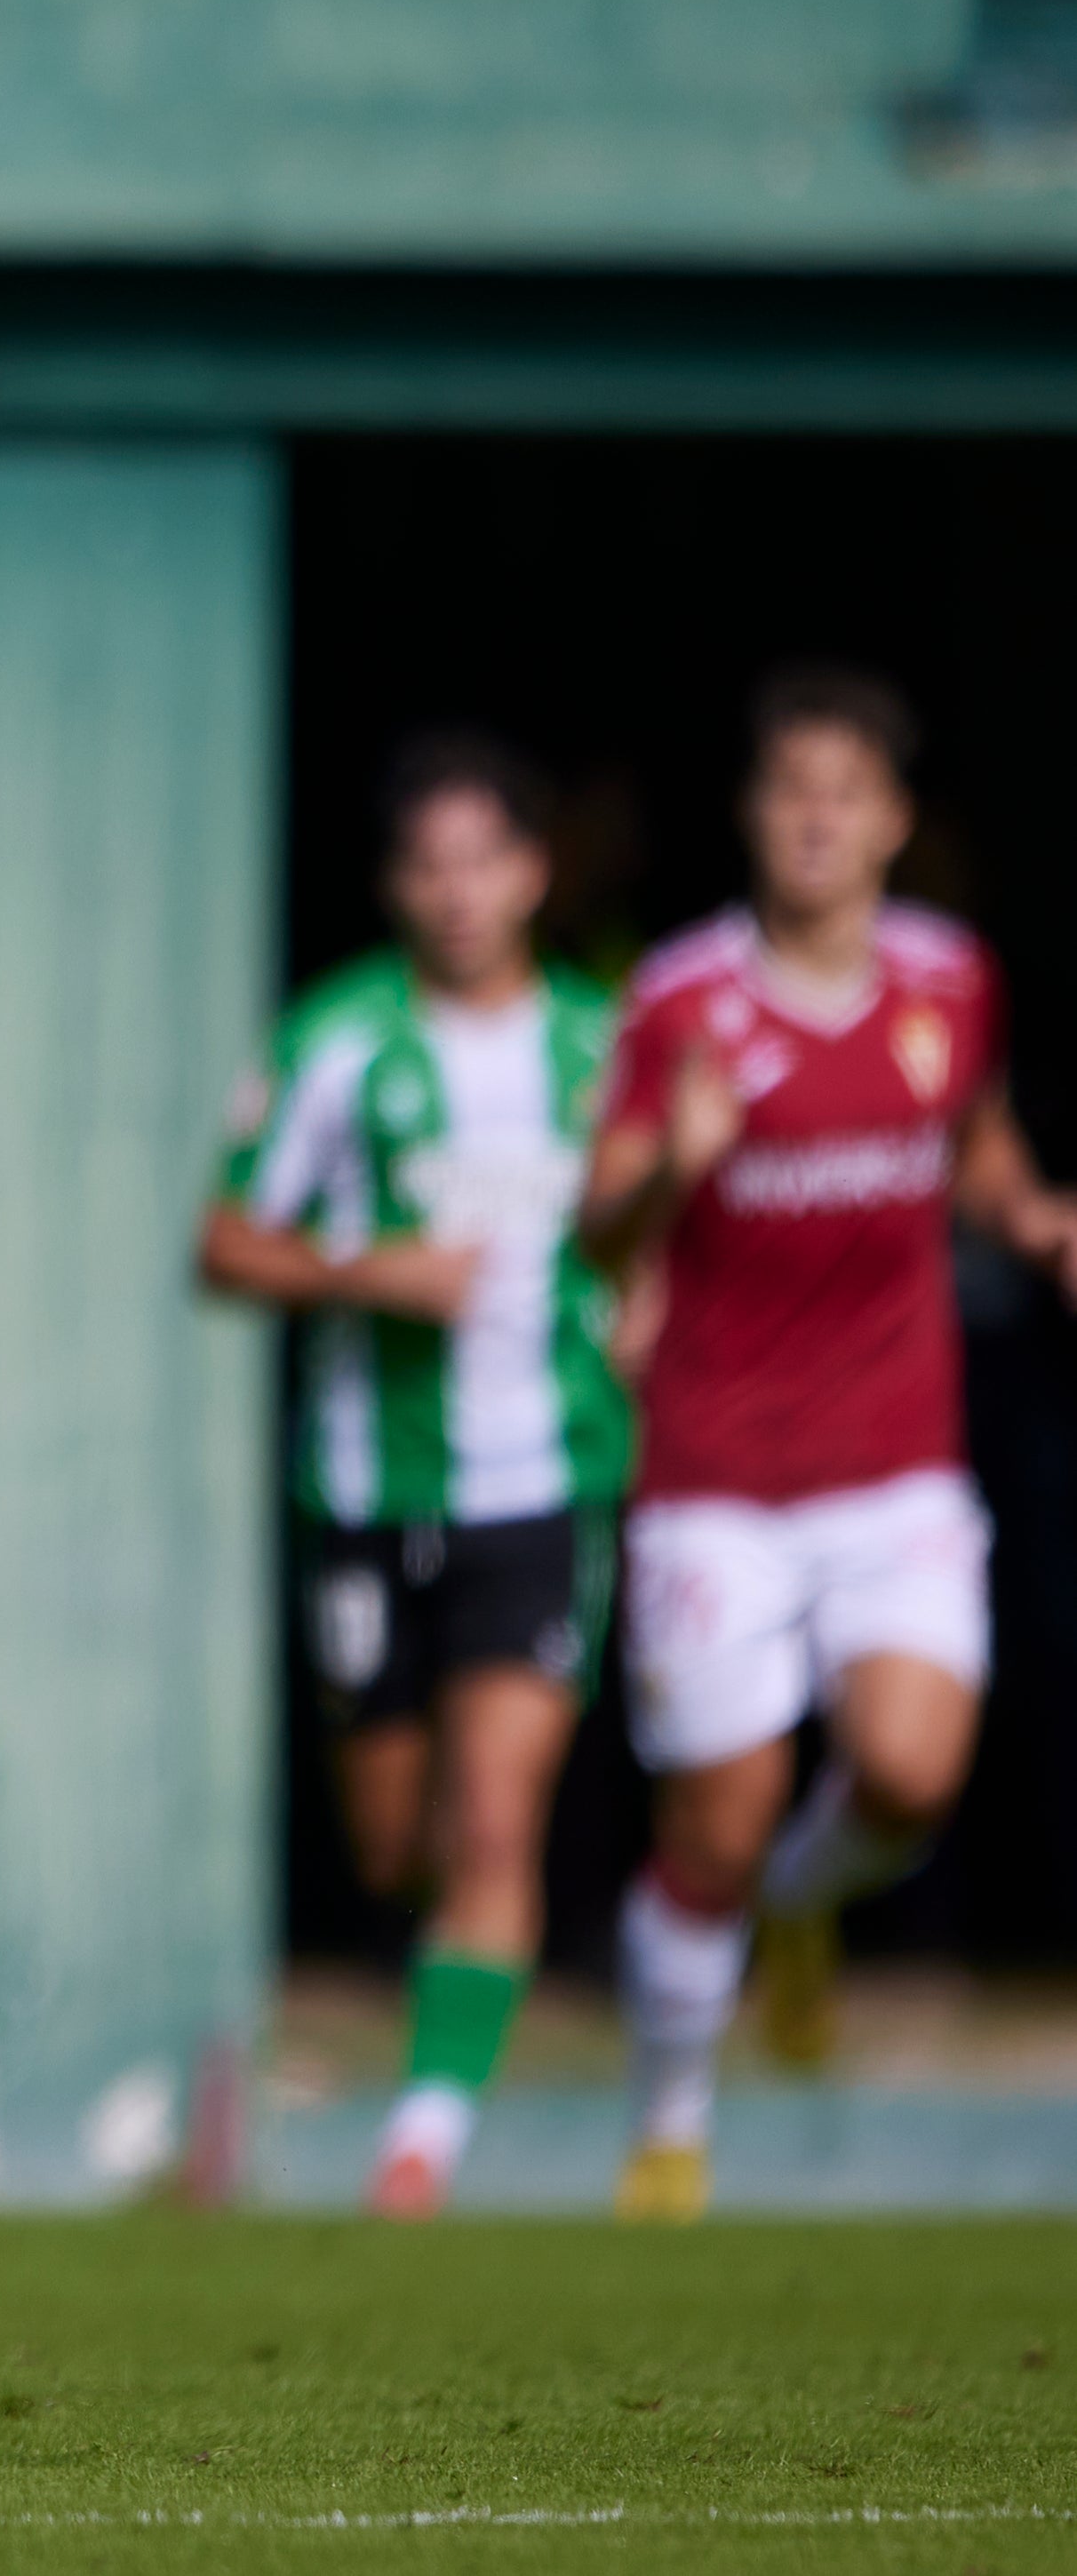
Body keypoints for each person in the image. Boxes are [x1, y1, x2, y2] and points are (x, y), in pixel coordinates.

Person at [578, 666, 1077, 2218]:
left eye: (845, 794)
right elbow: (598, 1227)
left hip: (894, 1455)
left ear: (891, 824)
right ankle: (671, 2121)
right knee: (714, 1824)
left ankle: (801, 1911)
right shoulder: (678, 1002)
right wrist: (677, 1172)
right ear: (752, 812)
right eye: (791, 788)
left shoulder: (949, 980)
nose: (816, 819)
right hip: (717, 1474)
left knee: (914, 1774)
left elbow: (974, 1139)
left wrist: (1031, 1213)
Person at [198, 732, 626, 2217]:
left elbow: (663, 1237)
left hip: (545, 1486)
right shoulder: (337, 1038)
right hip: (372, 1499)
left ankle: (419, 2150)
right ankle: (439, 1991)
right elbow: (222, 1241)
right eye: (426, 864)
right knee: (397, 1841)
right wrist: (364, 1267)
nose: (456, 892)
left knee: (498, 1824)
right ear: (398, 884)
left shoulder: (602, 1049)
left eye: (482, 860)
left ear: (531, 873)